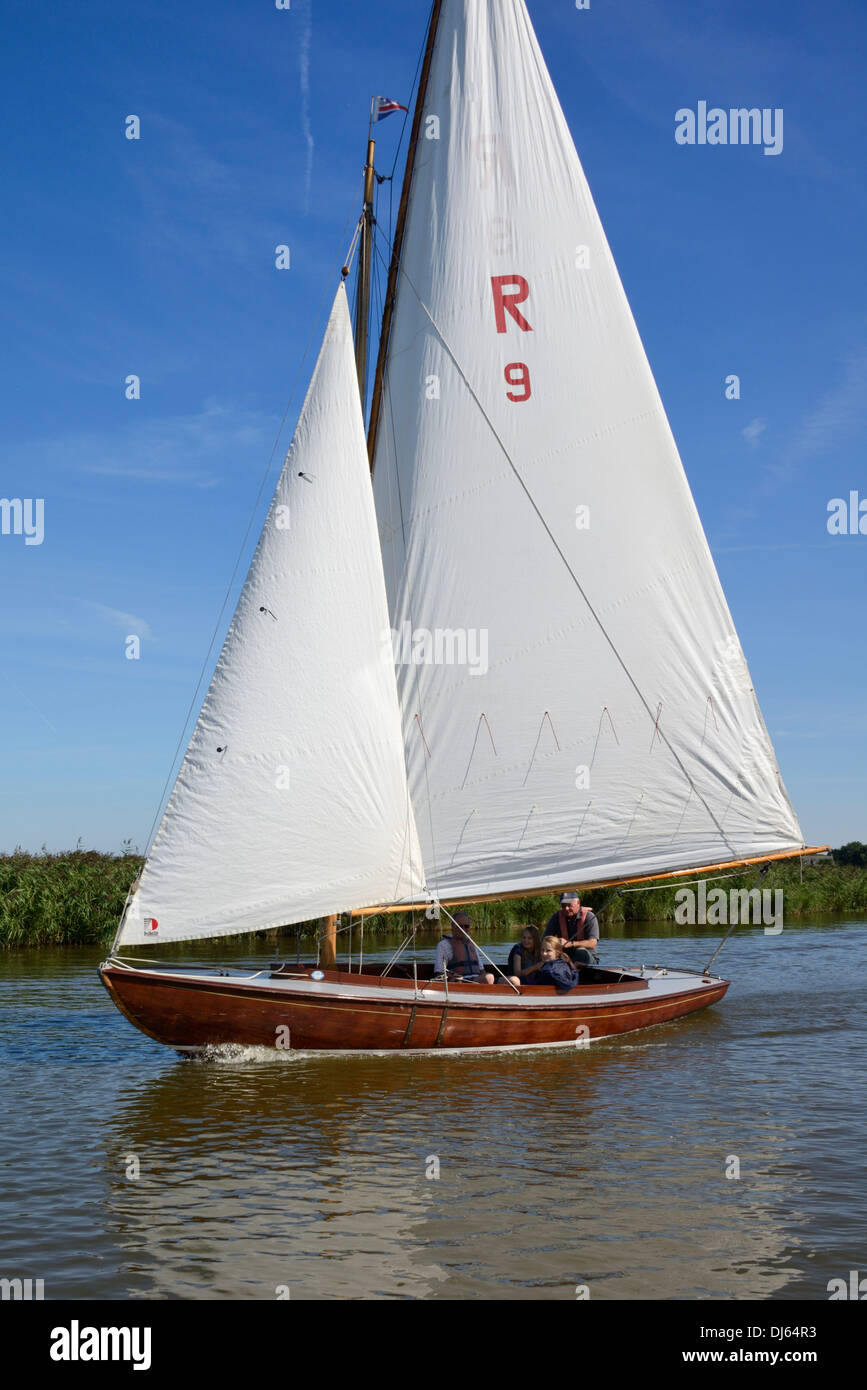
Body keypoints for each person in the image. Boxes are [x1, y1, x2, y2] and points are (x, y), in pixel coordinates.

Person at [434, 913, 495, 984]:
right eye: (459, 926)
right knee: (489, 977)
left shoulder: (471, 943)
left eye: (466, 926)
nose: (463, 929)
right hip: (460, 981)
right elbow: (439, 973)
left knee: (510, 980)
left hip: (477, 980)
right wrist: (452, 976)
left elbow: (481, 970)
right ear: (452, 926)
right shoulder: (443, 945)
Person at [544, 891, 600, 966]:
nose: (566, 908)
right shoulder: (556, 918)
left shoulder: (589, 917)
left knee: (581, 952)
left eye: (569, 905)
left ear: (578, 903)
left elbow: (592, 943)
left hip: (587, 959)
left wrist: (570, 944)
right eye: (563, 906)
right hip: (565, 958)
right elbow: (545, 939)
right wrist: (557, 942)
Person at [508, 935, 578, 992]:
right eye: (542, 950)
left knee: (514, 980)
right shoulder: (561, 963)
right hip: (536, 987)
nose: (544, 953)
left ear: (557, 952)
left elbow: (535, 986)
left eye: (548, 951)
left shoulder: (550, 970)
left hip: (534, 991)